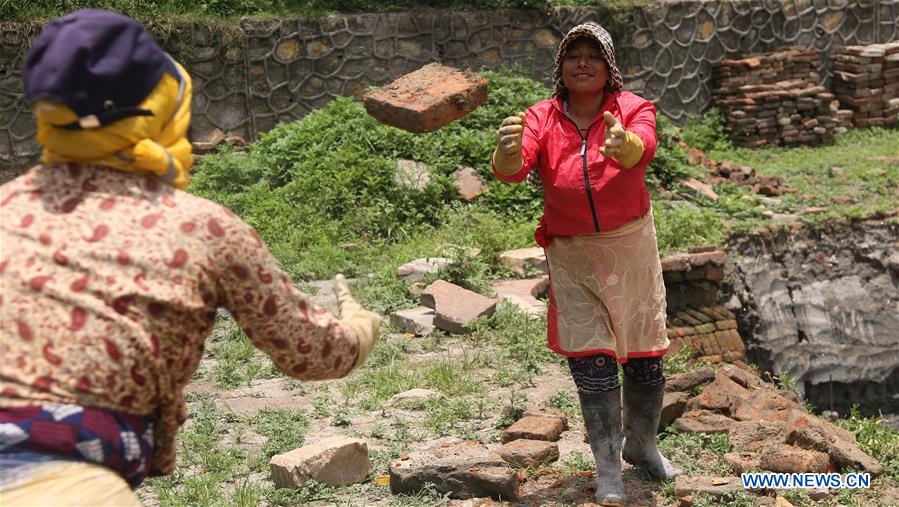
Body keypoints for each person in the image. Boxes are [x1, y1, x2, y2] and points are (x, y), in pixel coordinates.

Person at [0, 9, 381, 506]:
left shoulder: (6, 208)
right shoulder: (203, 227)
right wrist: (360, 328)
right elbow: (311, 351)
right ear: (162, 107)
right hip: (60, 484)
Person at [492, 22, 681, 506]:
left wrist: (627, 147)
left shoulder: (632, 108)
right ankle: (608, 470)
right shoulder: (540, 116)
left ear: (609, 66)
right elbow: (513, 171)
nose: (582, 62)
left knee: (645, 357)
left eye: (593, 55)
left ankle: (643, 444)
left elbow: (644, 145)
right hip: (573, 255)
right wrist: (507, 152)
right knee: (592, 363)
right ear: (560, 66)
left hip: (630, 247)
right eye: (573, 54)